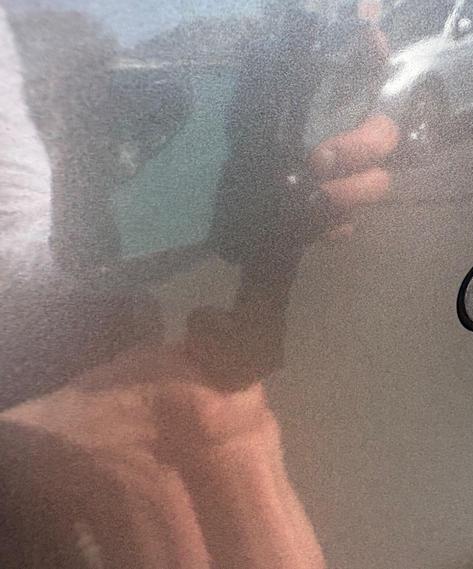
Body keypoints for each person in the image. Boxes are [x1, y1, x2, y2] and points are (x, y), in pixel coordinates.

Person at [0, 2, 398, 567]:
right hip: (51, 404)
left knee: (218, 429)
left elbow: (20, 211)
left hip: (119, 352)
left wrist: (235, 203)